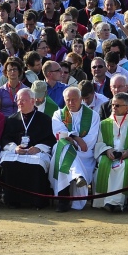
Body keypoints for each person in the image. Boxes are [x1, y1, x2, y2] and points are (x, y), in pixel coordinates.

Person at [92, 92, 128, 213]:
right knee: (105, 164)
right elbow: (98, 143)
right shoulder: (103, 124)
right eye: (113, 104)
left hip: (127, 156)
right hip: (108, 156)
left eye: (117, 105)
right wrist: (107, 150)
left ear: (127, 107)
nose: (114, 107)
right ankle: (104, 201)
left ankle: (117, 203)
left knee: (123, 166)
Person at [0, 88, 56, 209]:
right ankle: (12, 200)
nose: (20, 103)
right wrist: (14, 148)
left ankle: (36, 201)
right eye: (18, 100)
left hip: (36, 152)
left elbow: (50, 139)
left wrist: (38, 148)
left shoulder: (45, 119)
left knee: (37, 163)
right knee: (8, 163)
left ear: (32, 101)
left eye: (23, 100)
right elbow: (5, 138)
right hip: (17, 152)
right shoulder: (11, 119)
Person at [50, 84, 99, 212]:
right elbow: (60, 134)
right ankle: (78, 176)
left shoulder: (93, 115)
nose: (71, 103)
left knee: (65, 151)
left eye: (74, 99)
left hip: (84, 154)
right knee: (64, 146)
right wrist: (77, 138)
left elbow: (90, 139)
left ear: (81, 99)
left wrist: (73, 140)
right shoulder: (58, 114)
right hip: (64, 148)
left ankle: (63, 200)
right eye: (68, 100)